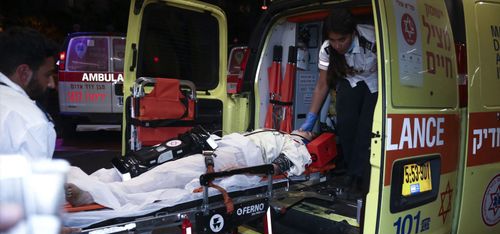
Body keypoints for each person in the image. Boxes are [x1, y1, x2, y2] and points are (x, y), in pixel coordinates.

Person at [65, 130, 313, 210]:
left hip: (230, 158)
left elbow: (278, 166)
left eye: (310, 132)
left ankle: (98, 194)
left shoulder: (297, 145)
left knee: (166, 174)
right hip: (216, 145)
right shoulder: (277, 131)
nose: (306, 129)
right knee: (148, 160)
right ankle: (99, 180)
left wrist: (247, 171)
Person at [300, 8, 378, 193]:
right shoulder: (327, 49)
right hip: (350, 80)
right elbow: (322, 84)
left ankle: (361, 176)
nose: (337, 45)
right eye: (333, 40)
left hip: (376, 80)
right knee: (345, 124)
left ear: (353, 33)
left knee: (366, 128)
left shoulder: (373, 39)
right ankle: (352, 172)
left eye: (342, 40)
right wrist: (311, 118)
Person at [0, 27, 59, 159]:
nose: (51, 84)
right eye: (47, 75)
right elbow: (36, 179)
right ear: (24, 73)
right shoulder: (30, 120)